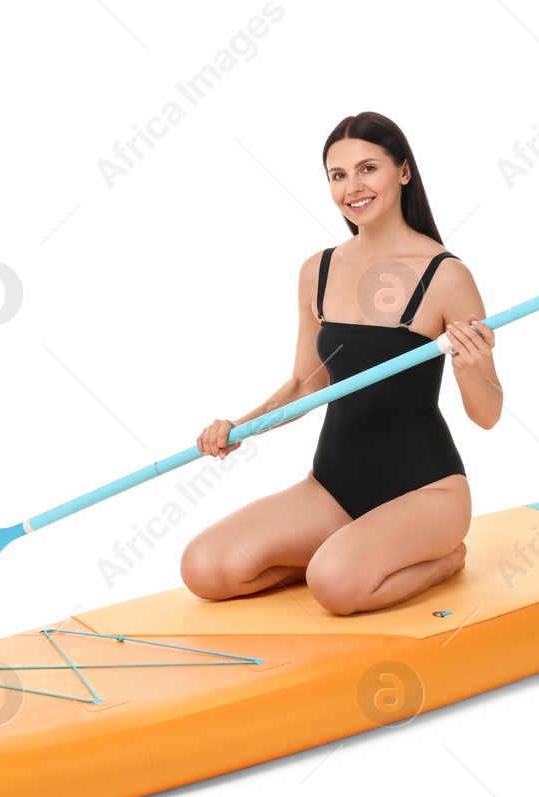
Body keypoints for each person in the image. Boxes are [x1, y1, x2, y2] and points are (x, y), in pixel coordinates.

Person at [180, 111, 503, 616]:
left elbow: (488, 414)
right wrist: (239, 427)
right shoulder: (319, 270)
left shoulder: (445, 274)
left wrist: (471, 367)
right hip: (332, 487)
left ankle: (444, 560)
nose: (353, 186)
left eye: (368, 168)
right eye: (338, 175)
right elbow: (305, 383)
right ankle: (349, 551)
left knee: (333, 586)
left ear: (403, 171)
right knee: (204, 567)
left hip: (427, 491)